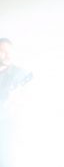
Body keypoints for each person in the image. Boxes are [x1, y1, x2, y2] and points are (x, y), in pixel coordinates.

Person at [0, 38, 32, 166]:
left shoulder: (22, 75)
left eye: (10, 52)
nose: (8, 55)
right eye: (3, 51)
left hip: (9, 130)